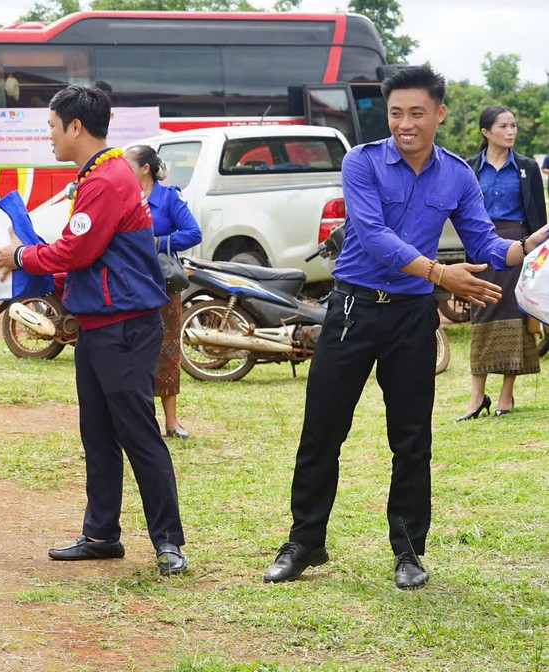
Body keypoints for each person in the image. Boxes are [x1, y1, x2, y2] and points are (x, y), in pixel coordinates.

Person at [261, 67, 549, 590]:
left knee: (412, 439)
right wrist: (443, 275)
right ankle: (305, 542)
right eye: (397, 113)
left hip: (413, 317)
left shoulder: (459, 175)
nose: (405, 123)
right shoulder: (362, 161)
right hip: (353, 312)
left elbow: (484, 242)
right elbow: (371, 235)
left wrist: (527, 247)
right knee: (323, 431)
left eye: (417, 113)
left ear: (440, 114)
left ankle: (409, 552)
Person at [0, 86, 187, 576]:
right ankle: (101, 535)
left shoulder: (106, 179)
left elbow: (76, 252)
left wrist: (19, 256)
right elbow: (78, 255)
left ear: (76, 127)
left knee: (137, 433)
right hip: (99, 327)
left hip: (124, 328)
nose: (48, 136)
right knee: (97, 433)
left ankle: (169, 542)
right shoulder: (98, 176)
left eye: (52, 126)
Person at [459, 106, 546, 419]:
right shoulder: (469, 168)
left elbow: (538, 214)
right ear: (486, 132)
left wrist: (538, 253)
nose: (511, 132)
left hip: (518, 245)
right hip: (481, 245)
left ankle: (506, 395)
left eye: (513, 126)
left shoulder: (525, 167)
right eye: (503, 126)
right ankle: (476, 395)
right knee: (481, 311)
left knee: (515, 312)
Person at [124, 144, 202, 439]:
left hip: (164, 286)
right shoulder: (123, 198)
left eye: (128, 165)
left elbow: (193, 233)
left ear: (145, 168)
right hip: (129, 284)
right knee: (133, 351)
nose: (124, 171)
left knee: (167, 349)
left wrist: (158, 243)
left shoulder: (169, 198)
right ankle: (140, 423)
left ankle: (171, 422)